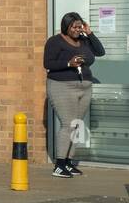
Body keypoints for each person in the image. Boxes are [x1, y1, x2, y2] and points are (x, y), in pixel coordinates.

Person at [42, 12, 105, 178]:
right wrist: (69, 63)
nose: (78, 30)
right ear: (66, 27)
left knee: (77, 124)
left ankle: (69, 163)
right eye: (74, 27)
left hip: (84, 87)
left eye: (80, 26)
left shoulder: (84, 40)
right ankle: (59, 164)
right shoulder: (55, 41)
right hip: (62, 86)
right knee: (68, 123)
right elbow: (47, 63)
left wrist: (89, 33)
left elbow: (100, 52)